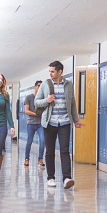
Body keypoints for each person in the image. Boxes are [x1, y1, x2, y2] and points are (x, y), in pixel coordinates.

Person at [34, 61, 84, 189]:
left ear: (60, 71)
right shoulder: (45, 84)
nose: (50, 73)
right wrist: (47, 100)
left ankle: (67, 178)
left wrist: (76, 120)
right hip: (50, 122)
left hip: (65, 122)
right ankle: (51, 178)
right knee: (50, 151)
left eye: (52, 71)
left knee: (65, 151)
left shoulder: (68, 85)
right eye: (49, 71)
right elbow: (36, 102)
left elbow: (72, 103)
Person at [24, 80, 45, 167]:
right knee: (29, 141)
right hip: (31, 123)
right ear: (35, 87)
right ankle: (26, 159)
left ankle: (40, 159)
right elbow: (26, 111)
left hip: (41, 123)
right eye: (39, 86)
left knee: (42, 140)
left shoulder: (43, 98)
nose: (40, 87)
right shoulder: (29, 97)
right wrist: (36, 114)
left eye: (42, 86)